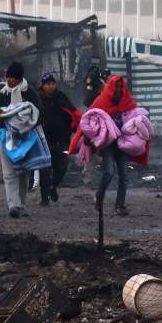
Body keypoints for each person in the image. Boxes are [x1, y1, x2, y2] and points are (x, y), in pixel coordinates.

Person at [0, 61, 44, 218]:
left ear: (19, 78)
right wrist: (6, 125)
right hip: (6, 138)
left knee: (23, 173)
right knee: (9, 173)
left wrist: (23, 126)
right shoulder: (3, 94)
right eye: (8, 77)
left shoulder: (30, 93)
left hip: (25, 139)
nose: (9, 80)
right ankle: (13, 205)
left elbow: (38, 115)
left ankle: (21, 204)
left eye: (12, 78)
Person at [89, 75, 134, 216]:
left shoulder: (127, 101)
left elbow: (135, 117)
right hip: (108, 144)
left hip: (123, 143)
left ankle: (120, 205)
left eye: (121, 87)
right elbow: (90, 117)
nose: (119, 89)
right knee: (109, 172)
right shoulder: (101, 100)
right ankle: (99, 197)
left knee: (124, 175)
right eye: (117, 86)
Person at [37, 72, 80, 205]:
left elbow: (72, 112)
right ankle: (44, 198)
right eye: (47, 84)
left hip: (62, 140)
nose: (50, 86)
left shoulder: (61, 97)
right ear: (43, 86)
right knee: (44, 170)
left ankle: (53, 186)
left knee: (62, 167)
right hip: (44, 141)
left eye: (52, 84)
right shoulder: (38, 100)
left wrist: (74, 128)